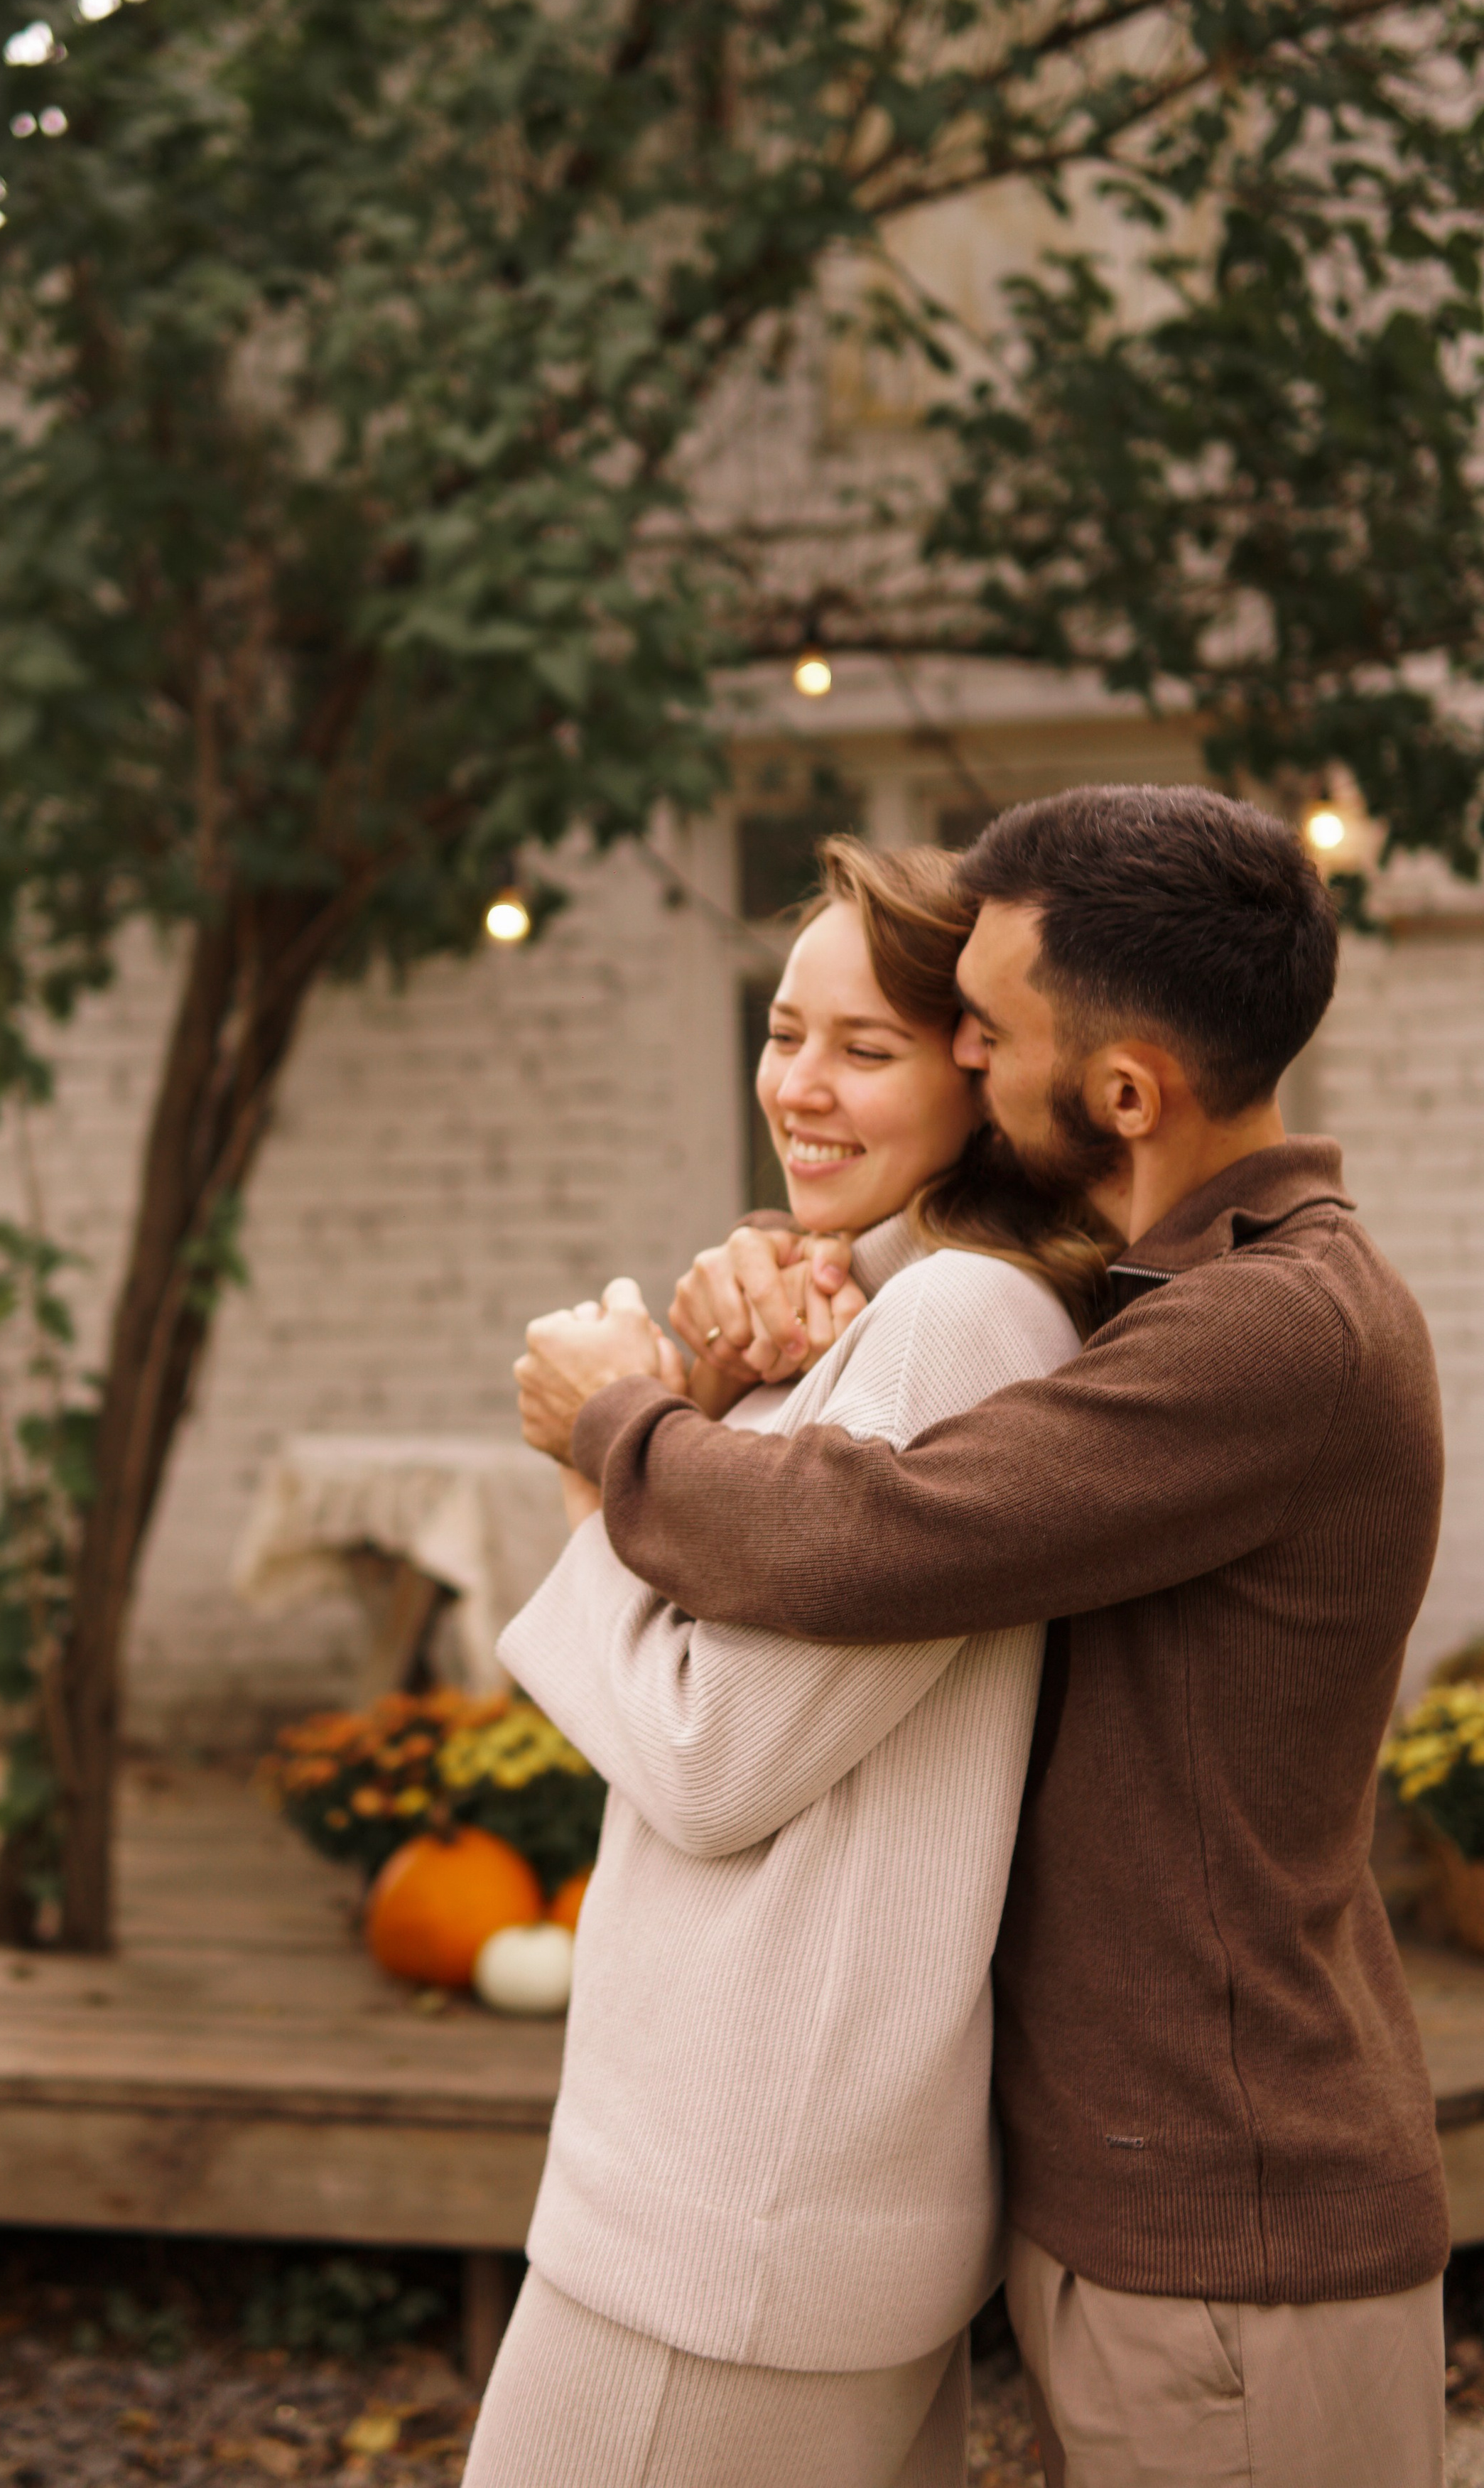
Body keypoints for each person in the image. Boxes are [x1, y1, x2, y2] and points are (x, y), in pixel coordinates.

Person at [515, 784, 1448, 2488]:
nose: (954, 1053)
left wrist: (618, 1433)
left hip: (1222, 2214)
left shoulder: (1269, 1328)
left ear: (1113, 1091)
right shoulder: (1168, 1297)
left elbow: (868, 1543)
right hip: (1124, 2194)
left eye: (968, 1032)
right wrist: (769, 1360)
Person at [464, 839, 1112, 2488]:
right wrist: (708, 1370)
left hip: (730, 2216)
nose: (798, 1087)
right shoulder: (887, 1305)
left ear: (981, 1076)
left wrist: (598, 1462)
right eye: (778, 1032)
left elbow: (707, 1755)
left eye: (865, 1049)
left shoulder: (958, 1328)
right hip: (772, 2209)